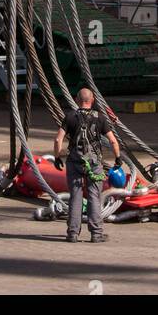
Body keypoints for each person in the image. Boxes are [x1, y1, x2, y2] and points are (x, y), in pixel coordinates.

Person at [53, 88, 121, 244]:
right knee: (93, 197)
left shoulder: (70, 116)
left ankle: (72, 233)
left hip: (74, 162)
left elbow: (58, 140)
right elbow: (113, 141)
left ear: (77, 100)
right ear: (93, 100)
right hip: (94, 163)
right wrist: (117, 158)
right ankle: (96, 233)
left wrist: (57, 157)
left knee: (75, 197)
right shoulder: (100, 118)